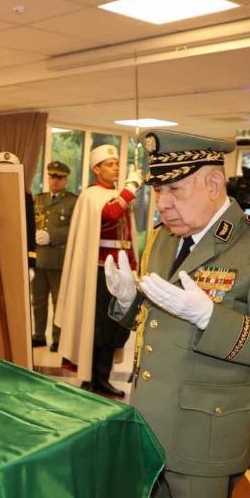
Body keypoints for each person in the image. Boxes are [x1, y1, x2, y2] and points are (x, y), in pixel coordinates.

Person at [106, 130, 250, 498]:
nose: (163, 204)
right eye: (159, 191)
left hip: (206, 430)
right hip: (152, 421)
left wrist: (210, 318)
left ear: (214, 185)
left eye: (175, 189)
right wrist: (127, 302)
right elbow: (158, 322)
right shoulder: (164, 238)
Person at [55, 144, 143, 397]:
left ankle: (101, 376)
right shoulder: (92, 195)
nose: (115, 168)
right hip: (100, 271)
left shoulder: (117, 194)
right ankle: (93, 377)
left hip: (121, 271)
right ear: (96, 169)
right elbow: (110, 214)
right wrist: (131, 187)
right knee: (100, 327)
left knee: (118, 327)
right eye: (109, 164)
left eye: (116, 164)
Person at [32, 161, 77, 352]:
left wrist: (52, 236)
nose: (55, 181)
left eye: (59, 178)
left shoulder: (73, 201)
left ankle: (58, 339)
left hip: (59, 260)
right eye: (52, 177)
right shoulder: (38, 199)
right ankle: (39, 335)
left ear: (65, 180)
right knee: (38, 300)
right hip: (38, 258)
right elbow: (29, 223)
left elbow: (75, 228)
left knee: (59, 302)